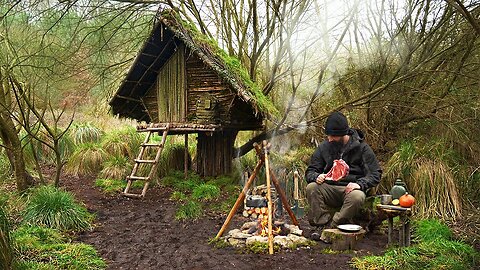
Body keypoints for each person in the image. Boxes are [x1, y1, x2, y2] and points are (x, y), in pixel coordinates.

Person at [305, 111, 382, 238]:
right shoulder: (324, 147)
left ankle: (333, 227)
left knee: (357, 196)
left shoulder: (362, 148)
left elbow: (375, 174)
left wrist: (359, 184)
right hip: (330, 188)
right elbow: (311, 170)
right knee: (312, 188)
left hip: (350, 191)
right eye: (328, 135)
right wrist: (316, 176)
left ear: (343, 134)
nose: (329, 139)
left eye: (332, 136)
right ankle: (321, 225)